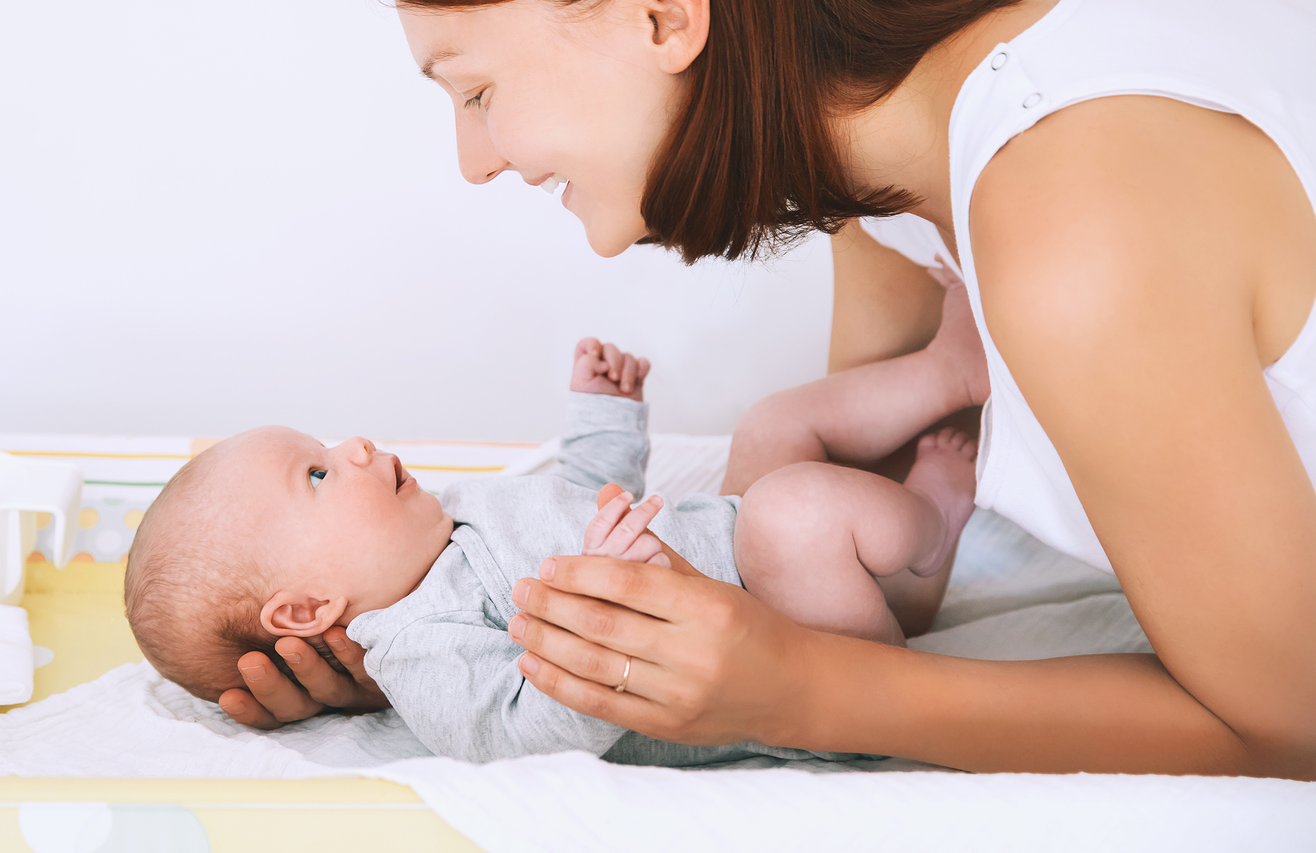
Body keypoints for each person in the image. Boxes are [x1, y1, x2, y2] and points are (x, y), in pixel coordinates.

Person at [220, 0, 1316, 779]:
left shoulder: (1076, 237)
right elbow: (862, 533)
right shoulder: (926, 52)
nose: (476, 158)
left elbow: (1291, 722)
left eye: (476, 89)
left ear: (663, 11)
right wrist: (431, 636)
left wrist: (800, 689)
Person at [128, 310, 982, 761]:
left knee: (772, 425)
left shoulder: (447, 521)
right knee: (785, 508)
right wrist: (595, 597)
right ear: (309, 606)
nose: (350, 446)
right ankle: (930, 542)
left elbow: (580, 498)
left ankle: (950, 370)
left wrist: (604, 414)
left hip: (758, 562)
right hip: (806, 646)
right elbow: (520, 734)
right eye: (316, 474)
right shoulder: (420, 648)